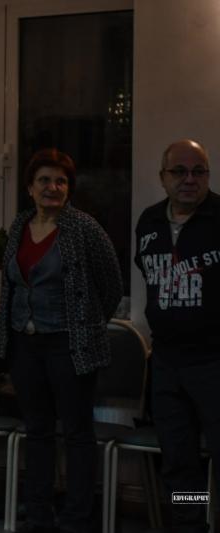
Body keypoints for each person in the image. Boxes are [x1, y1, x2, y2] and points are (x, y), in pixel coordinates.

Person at [0, 148, 122, 533]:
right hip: (25, 345)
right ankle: (39, 517)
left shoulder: (84, 228)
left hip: (70, 347)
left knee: (78, 433)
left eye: (61, 181)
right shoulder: (19, 225)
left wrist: (85, 324)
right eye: (44, 180)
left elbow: (112, 286)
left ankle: (76, 520)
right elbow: (11, 284)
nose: (52, 187)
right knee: (38, 431)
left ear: (69, 188)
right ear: (30, 188)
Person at [135, 139, 219, 533]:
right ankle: (190, 525)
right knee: (180, 461)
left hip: (214, 363)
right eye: (179, 171)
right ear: (162, 177)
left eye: (198, 171)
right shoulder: (149, 222)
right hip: (167, 364)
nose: (189, 179)